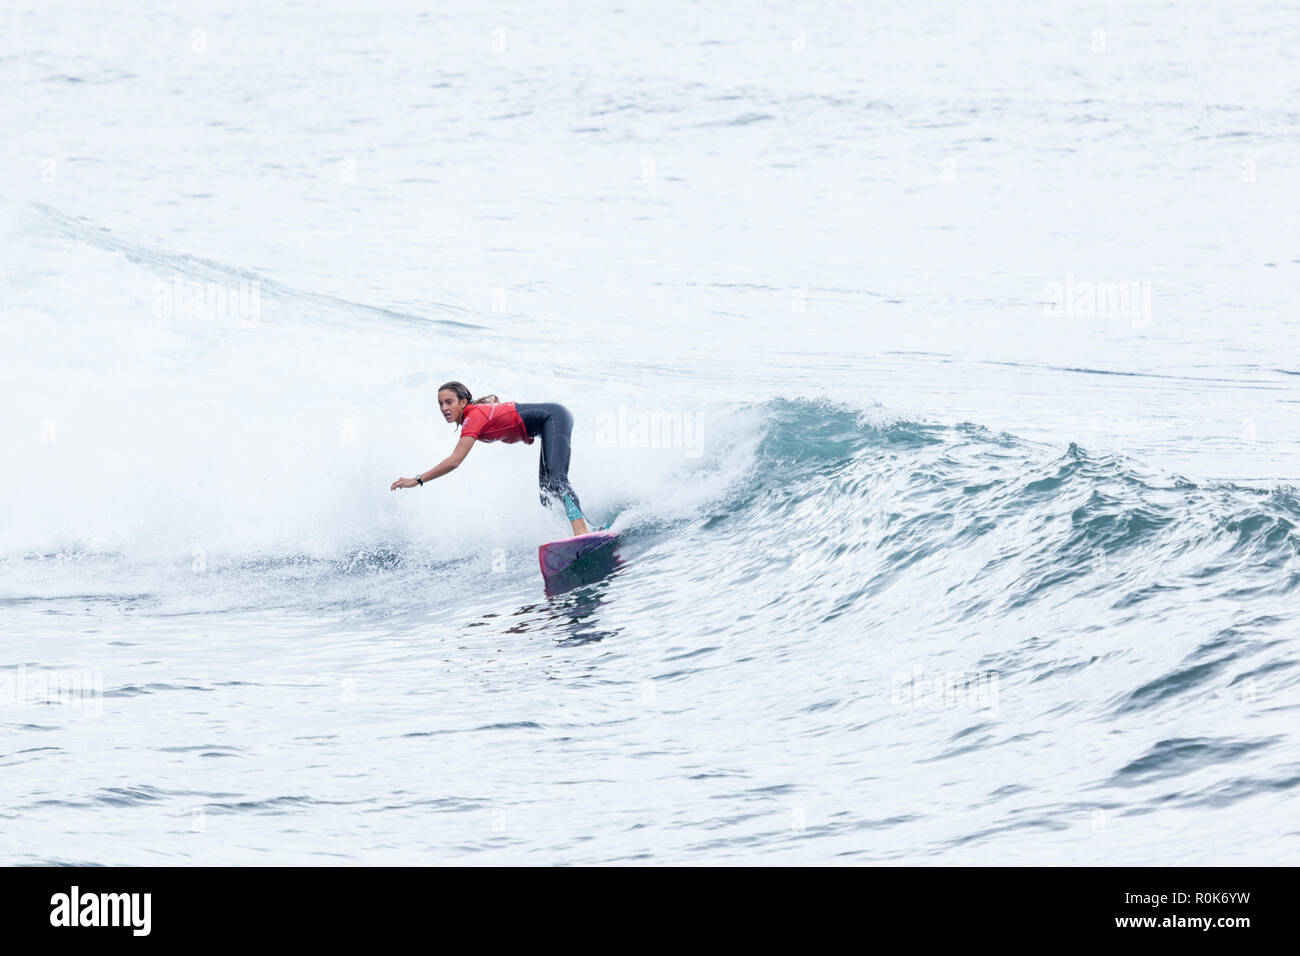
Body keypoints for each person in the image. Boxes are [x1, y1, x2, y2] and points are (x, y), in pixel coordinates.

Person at [390, 381, 593, 536]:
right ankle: (583, 530)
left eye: (449, 402)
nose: (444, 408)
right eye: (440, 404)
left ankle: (581, 531)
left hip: (553, 417)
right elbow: (495, 405)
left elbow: (454, 461)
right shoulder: (474, 414)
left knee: (556, 480)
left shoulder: (473, 416)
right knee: (546, 495)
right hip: (546, 423)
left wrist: (417, 480)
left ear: (463, 402)